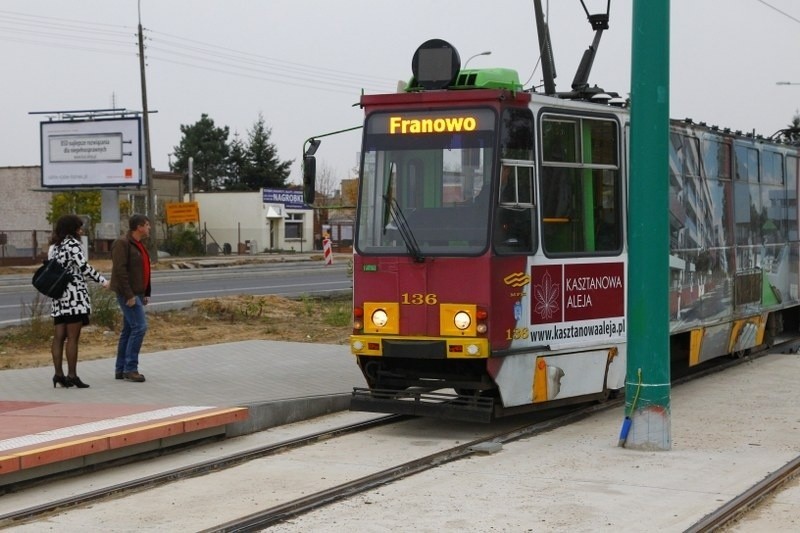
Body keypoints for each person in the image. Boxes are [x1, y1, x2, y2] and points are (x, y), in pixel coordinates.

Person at [49, 214, 110, 389]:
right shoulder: (73, 244)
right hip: (74, 295)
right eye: (79, 228)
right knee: (73, 337)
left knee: (59, 336)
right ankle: (72, 375)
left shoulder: (54, 247)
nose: (81, 230)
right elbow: (84, 267)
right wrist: (103, 281)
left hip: (58, 295)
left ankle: (58, 375)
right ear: (72, 229)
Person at [110, 214, 152, 383]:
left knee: (128, 330)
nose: (149, 228)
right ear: (139, 227)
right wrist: (129, 295)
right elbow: (120, 271)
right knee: (140, 327)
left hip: (138, 293)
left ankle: (120, 369)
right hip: (128, 294)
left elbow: (144, 269)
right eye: (147, 225)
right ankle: (130, 368)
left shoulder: (139, 245)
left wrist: (146, 292)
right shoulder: (122, 243)